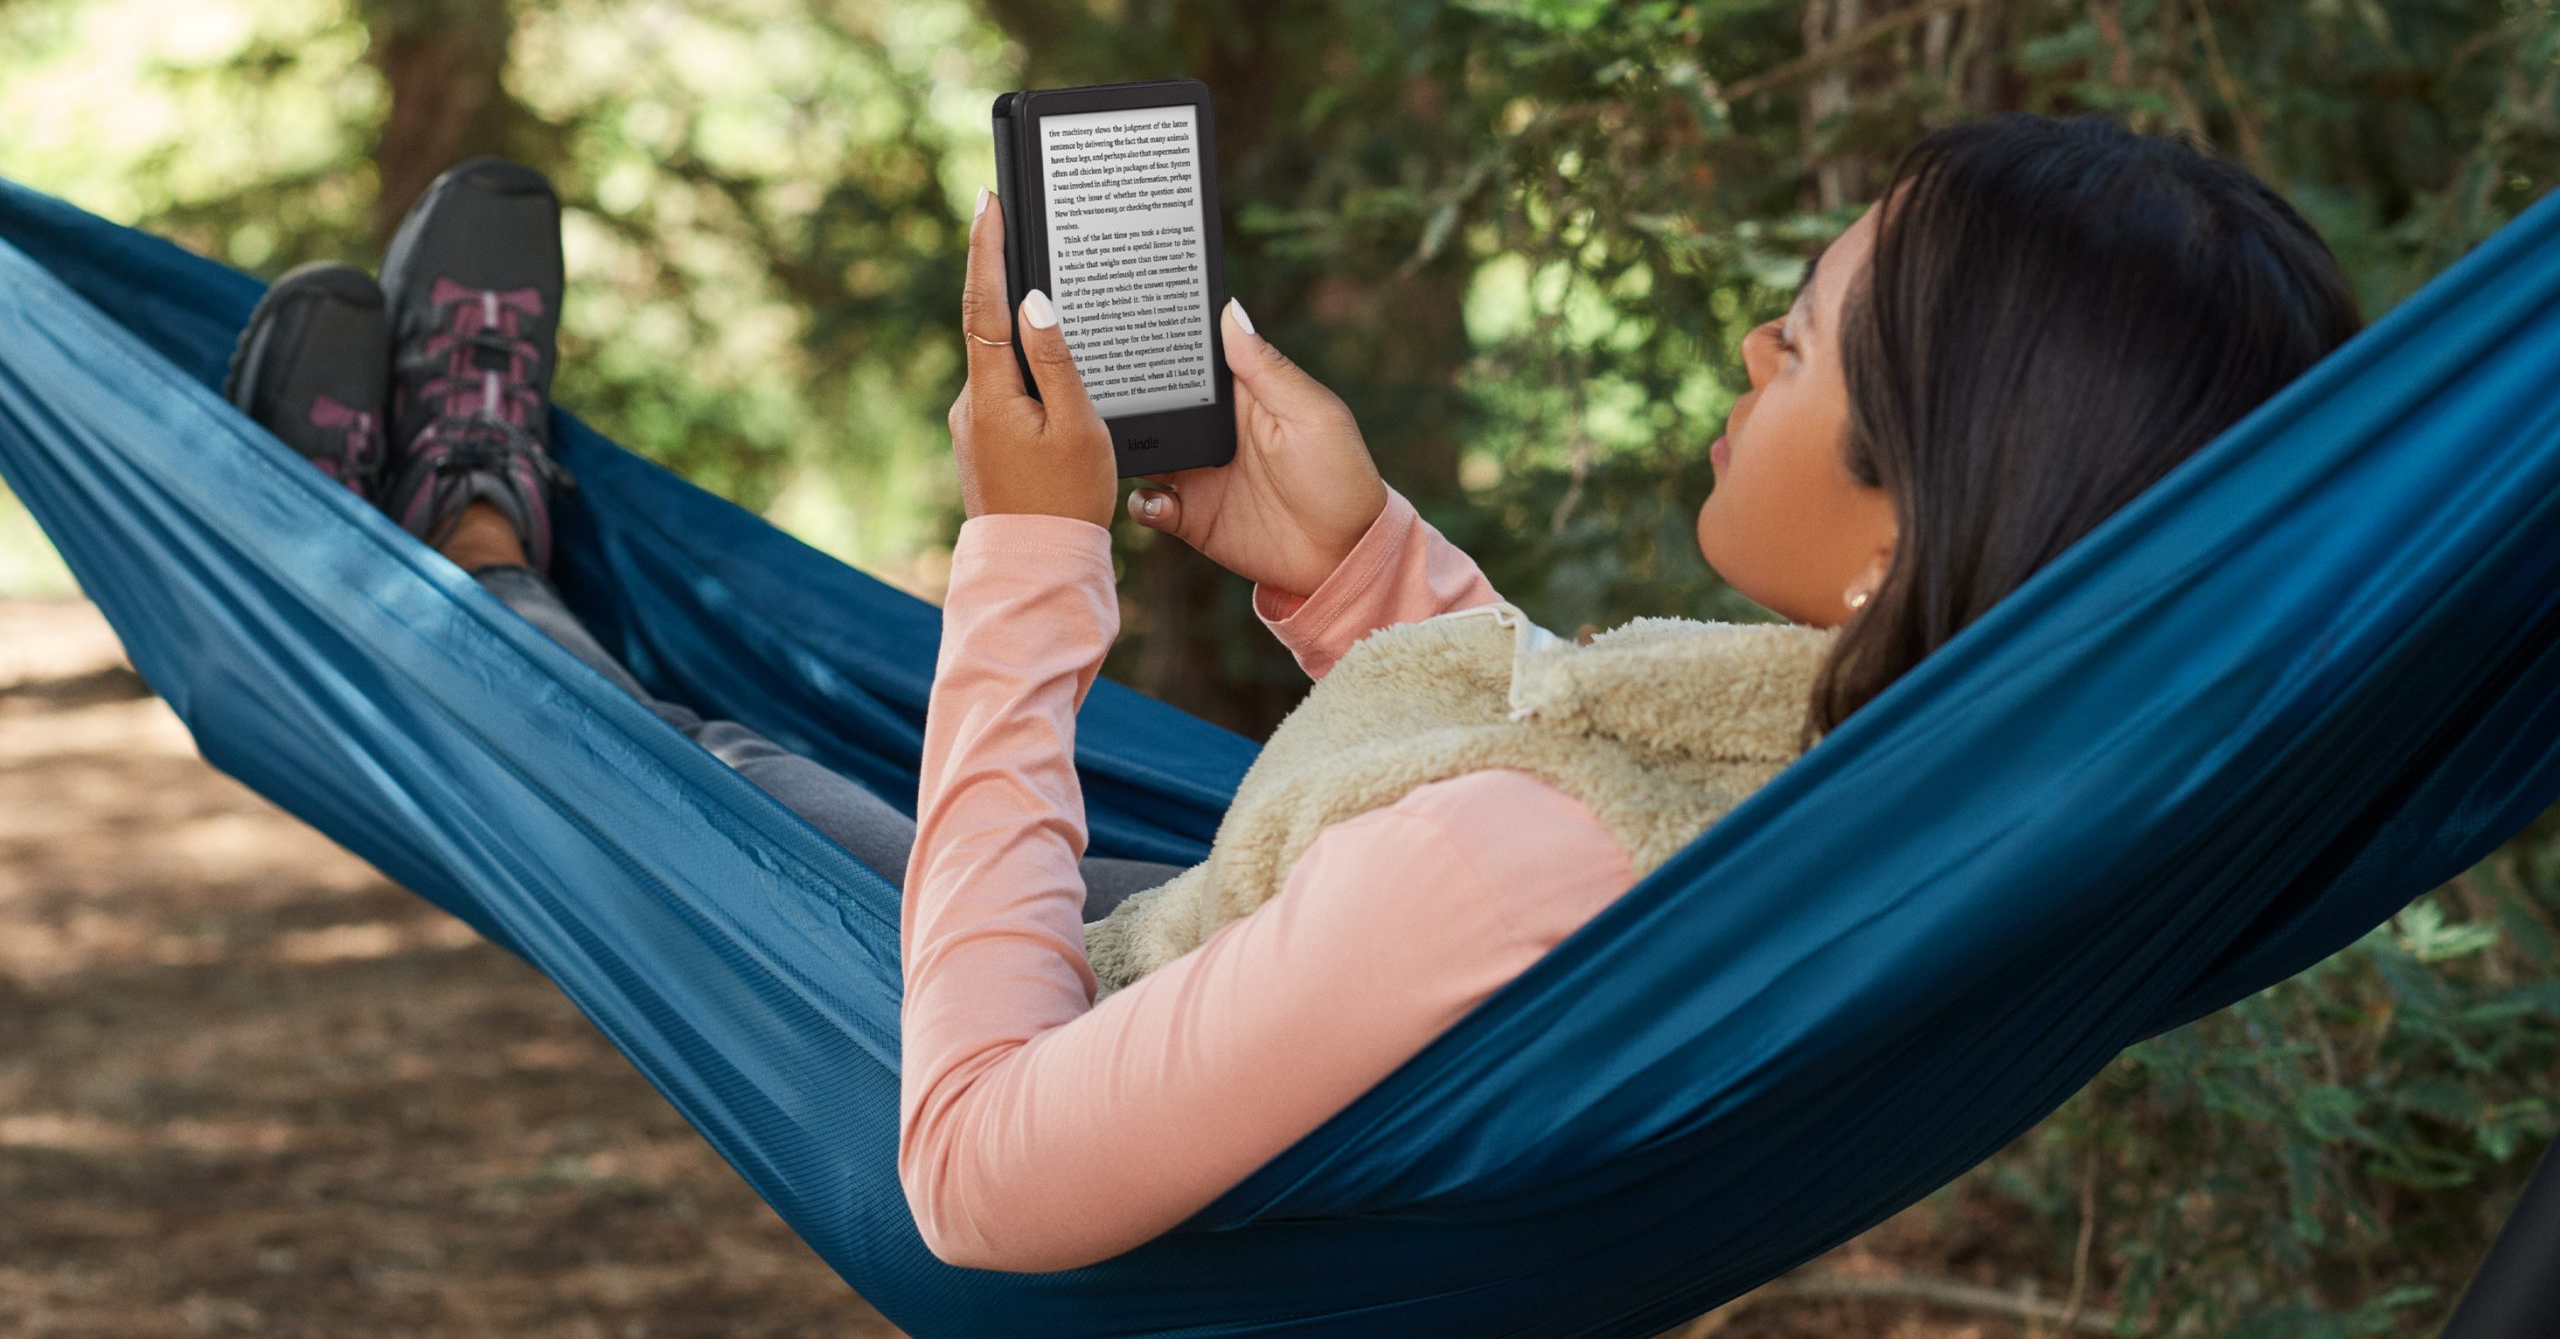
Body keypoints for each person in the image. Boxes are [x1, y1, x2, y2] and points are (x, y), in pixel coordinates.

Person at [230, 112, 2361, 1275]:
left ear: (1919, 510)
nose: (1746, 352)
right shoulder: (1909, 790)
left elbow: (972, 1169)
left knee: (681, 775)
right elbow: (1550, 789)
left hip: (1035, 1057)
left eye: (1800, 347)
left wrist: (1032, 555)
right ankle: (463, 523)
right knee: (730, 763)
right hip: (1211, 966)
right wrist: (1349, 565)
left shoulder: (1517, 865)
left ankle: (448, 552)